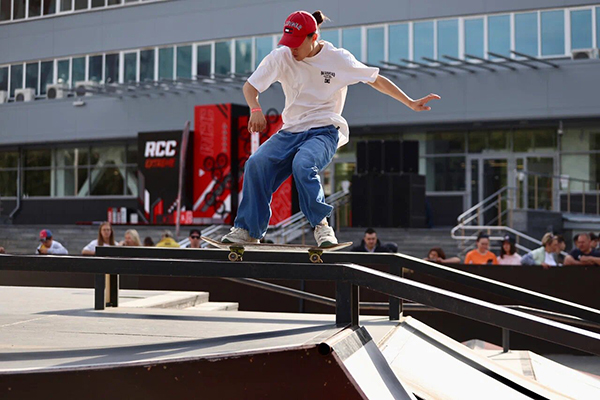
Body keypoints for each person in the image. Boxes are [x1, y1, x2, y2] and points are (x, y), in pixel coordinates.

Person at [221, 10, 440, 247]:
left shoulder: (338, 59)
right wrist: (255, 109)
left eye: (297, 44)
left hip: (324, 130)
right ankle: (248, 230)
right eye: (288, 43)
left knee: (303, 164)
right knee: (256, 164)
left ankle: (322, 227)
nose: (292, 49)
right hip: (291, 130)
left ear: (312, 37)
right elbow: (250, 87)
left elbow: (375, 79)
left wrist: (409, 102)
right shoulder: (281, 56)